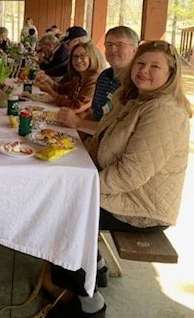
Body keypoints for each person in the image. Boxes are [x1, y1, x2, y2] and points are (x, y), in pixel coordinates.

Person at [50, 40, 191, 317]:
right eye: (140, 63)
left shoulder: (163, 110)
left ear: (171, 74)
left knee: (59, 212)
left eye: (155, 66)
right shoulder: (136, 99)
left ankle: (90, 304)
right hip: (124, 193)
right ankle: (96, 267)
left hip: (142, 207)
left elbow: (129, 176)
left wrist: (82, 188)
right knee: (61, 193)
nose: (144, 71)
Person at [58, 26, 139, 134]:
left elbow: (120, 131)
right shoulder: (104, 76)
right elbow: (93, 114)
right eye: (109, 45)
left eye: (120, 45)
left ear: (135, 50)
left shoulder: (136, 84)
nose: (112, 50)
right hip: (92, 140)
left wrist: (78, 123)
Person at [35, 40, 103, 112]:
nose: (78, 60)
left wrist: (50, 91)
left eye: (83, 56)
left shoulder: (93, 80)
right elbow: (63, 89)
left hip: (81, 120)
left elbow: (75, 106)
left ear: (92, 57)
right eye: (75, 56)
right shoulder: (79, 76)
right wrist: (48, 80)